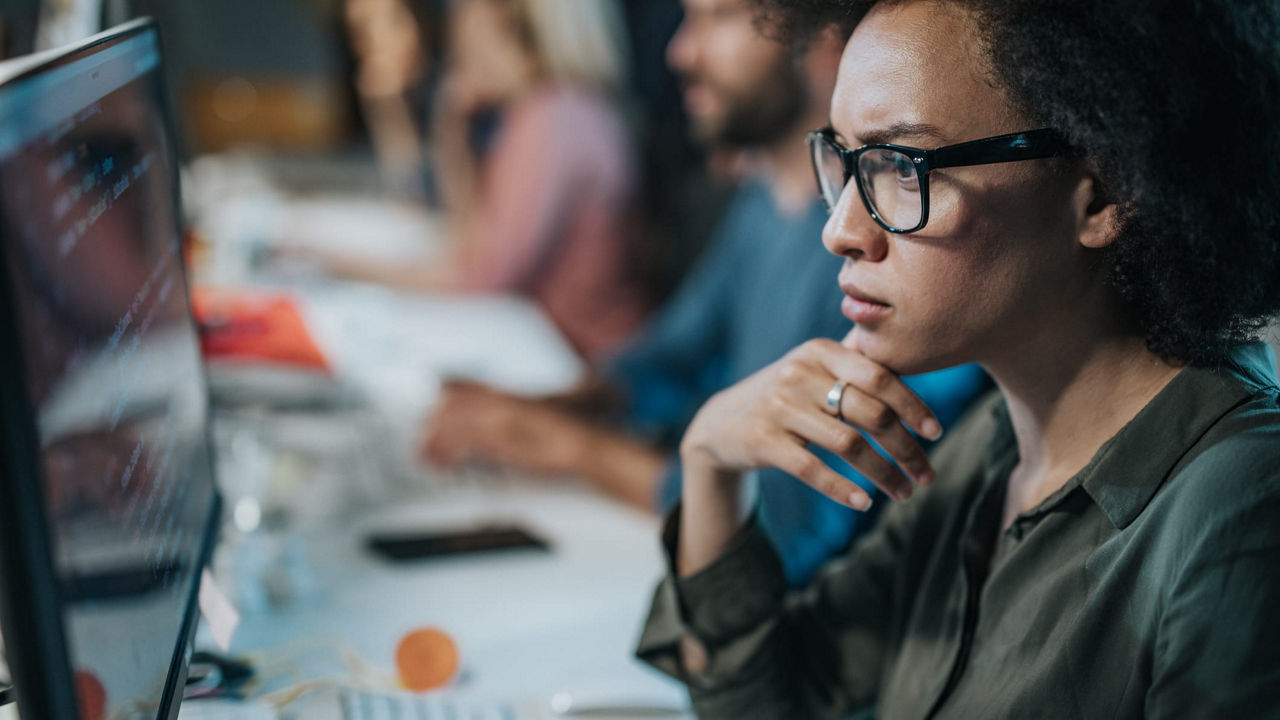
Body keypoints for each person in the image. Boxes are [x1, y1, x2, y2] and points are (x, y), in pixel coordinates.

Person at [634, 0, 1280, 717]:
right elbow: (774, 701)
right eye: (844, 163)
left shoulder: (1244, 503)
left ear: (1104, 192)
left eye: (900, 166)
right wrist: (712, 463)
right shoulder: (991, 448)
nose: (841, 231)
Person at [421, 0, 989, 586]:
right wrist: (543, 409)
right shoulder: (764, 198)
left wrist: (573, 448)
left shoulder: (891, 252)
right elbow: (673, 360)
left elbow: (792, 519)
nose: (681, 51)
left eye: (719, 18)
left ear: (821, 41)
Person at [313, 0, 649, 359]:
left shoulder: (551, 119)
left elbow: (479, 278)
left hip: (585, 365)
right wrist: (453, 134)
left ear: (500, 18)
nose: (455, 32)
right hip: (553, 348)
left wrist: (334, 265)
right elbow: (467, 238)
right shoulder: (554, 109)